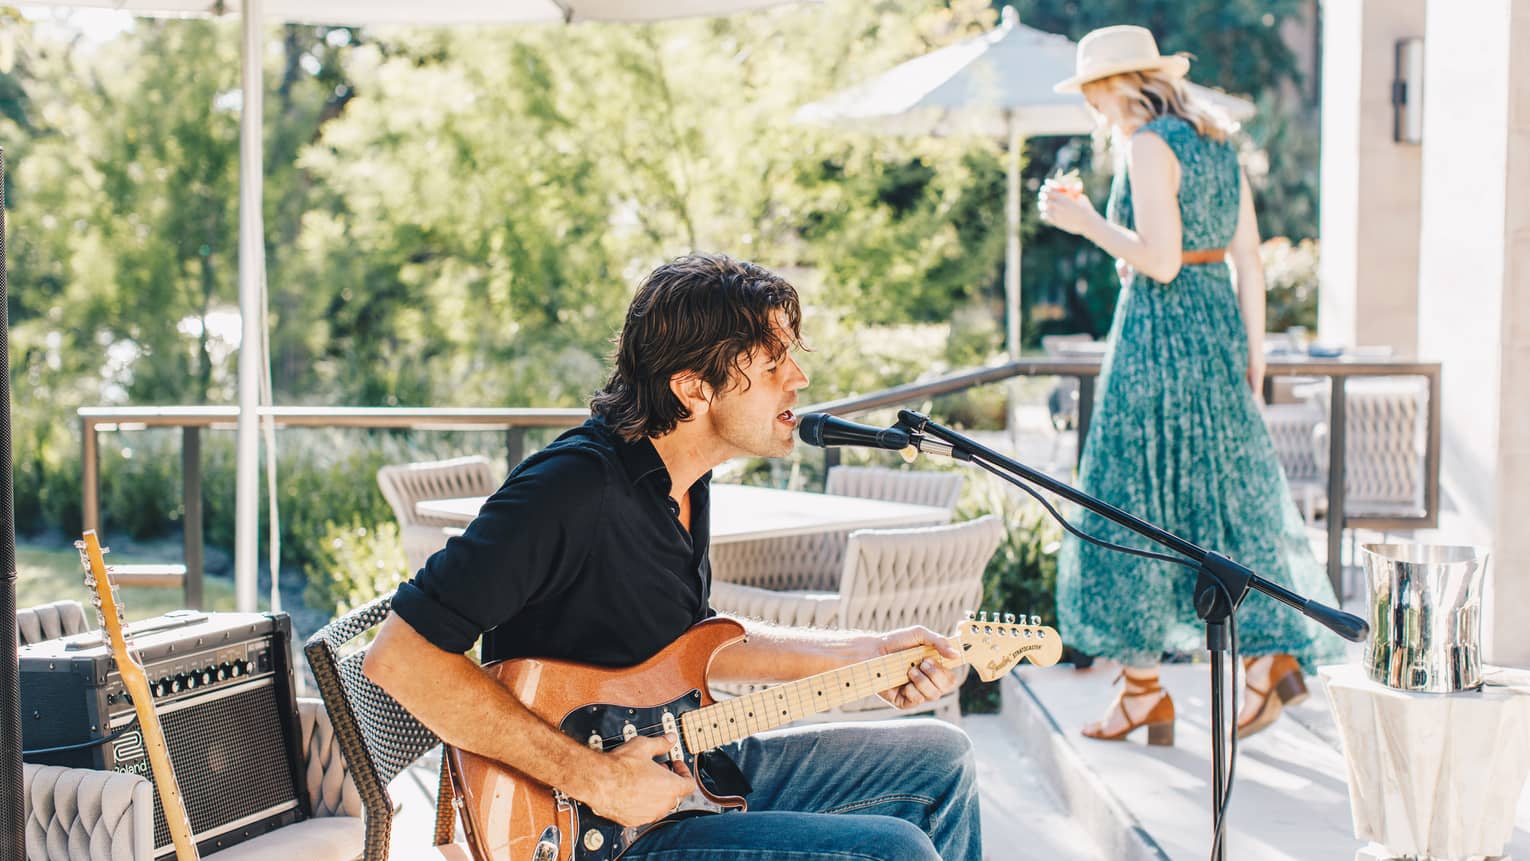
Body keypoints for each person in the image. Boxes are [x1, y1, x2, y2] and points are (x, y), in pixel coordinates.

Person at [363, 253, 980, 860]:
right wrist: (598, 780)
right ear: (691, 387)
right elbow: (400, 657)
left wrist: (868, 655)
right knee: (893, 851)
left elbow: (693, 647)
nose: (799, 378)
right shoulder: (571, 489)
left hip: (682, 767)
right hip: (589, 829)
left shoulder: (683, 482)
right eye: (771, 363)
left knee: (941, 760)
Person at [1037, 25, 1344, 745]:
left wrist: (1083, 221)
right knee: (1226, 503)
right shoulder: (1216, 141)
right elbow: (1249, 260)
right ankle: (1267, 661)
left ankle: (1144, 691)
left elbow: (1162, 261)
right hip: (1219, 341)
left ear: (1116, 86)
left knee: (1128, 501)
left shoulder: (1148, 144)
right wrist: (1254, 358)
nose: (1093, 108)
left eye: (1091, 94)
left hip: (1157, 338)